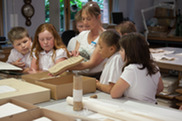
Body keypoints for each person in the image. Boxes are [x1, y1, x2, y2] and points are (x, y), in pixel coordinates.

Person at [110, 32, 164, 104]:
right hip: (152, 106)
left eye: (121, 50)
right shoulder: (154, 67)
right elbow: (160, 88)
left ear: (130, 52)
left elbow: (114, 94)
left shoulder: (131, 69)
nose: (119, 52)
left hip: (138, 108)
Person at [69, 1, 106, 79]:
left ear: (98, 17)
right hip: (78, 76)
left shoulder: (104, 37)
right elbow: (76, 57)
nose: (85, 22)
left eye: (88, 19)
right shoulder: (83, 35)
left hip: (94, 78)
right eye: (83, 19)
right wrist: (73, 56)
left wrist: (66, 67)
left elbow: (91, 63)